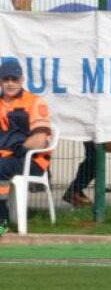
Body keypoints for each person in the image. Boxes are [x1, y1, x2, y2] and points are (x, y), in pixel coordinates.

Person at [0, 58, 51, 236]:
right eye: (6, 79)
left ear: (21, 80)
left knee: (1, 167)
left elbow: (40, 140)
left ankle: (2, 221)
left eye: (14, 79)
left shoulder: (35, 102)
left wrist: (16, 149)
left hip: (32, 160)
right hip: (6, 156)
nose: (10, 83)